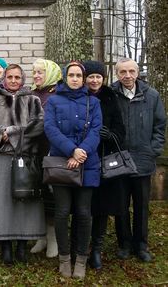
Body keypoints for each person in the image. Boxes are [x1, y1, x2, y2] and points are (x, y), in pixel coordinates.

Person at [0, 64, 45, 265]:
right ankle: (5, 246)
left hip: (26, 157)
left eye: (17, 77)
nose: (13, 80)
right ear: (4, 79)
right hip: (1, 157)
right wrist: (0, 135)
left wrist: (12, 133)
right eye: (10, 77)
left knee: (25, 201)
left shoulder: (32, 100)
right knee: (2, 201)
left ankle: (22, 246)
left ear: (22, 79)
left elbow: (38, 125)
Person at [44, 61, 102, 279]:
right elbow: (50, 128)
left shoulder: (93, 102)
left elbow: (96, 130)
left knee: (84, 213)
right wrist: (71, 151)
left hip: (88, 163)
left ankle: (81, 259)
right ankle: (64, 258)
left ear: (83, 78)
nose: (75, 79)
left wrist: (81, 153)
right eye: (71, 75)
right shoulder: (54, 101)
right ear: (65, 78)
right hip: (61, 163)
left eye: (79, 75)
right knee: (61, 212)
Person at [111, 58, 166, 263]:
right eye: (123, 72)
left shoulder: (151, 96)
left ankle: (141, 245)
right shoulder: (111, 95)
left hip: (143, 159)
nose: (127, 76)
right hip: (119, 160)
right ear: (117, 74)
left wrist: (153, 150)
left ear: (137, 73)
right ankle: (124, 244)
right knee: (121, 205)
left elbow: (160, 126)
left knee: (142, 206)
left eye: (131, 71)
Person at [83, 60, 126, 270]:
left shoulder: (110, 97)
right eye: (90, 76)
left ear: (103, 78)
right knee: (83, 207)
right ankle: (80, 247)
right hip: (82, 158)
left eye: (98, 77)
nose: (94, 80)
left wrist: (111, 135)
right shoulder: (79, 96)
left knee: (102, 207)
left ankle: (96, 250)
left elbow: (121, 129)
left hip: (104, 161)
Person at [30, 58, 63, 257]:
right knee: (38, 196)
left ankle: (53, 239)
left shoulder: (58, 94)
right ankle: (40, 237)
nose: (36, 76)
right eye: (34, 72)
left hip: (52, 153)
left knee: (52, 199)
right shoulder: (32, 93)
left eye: (40, 72)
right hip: (33, 153)